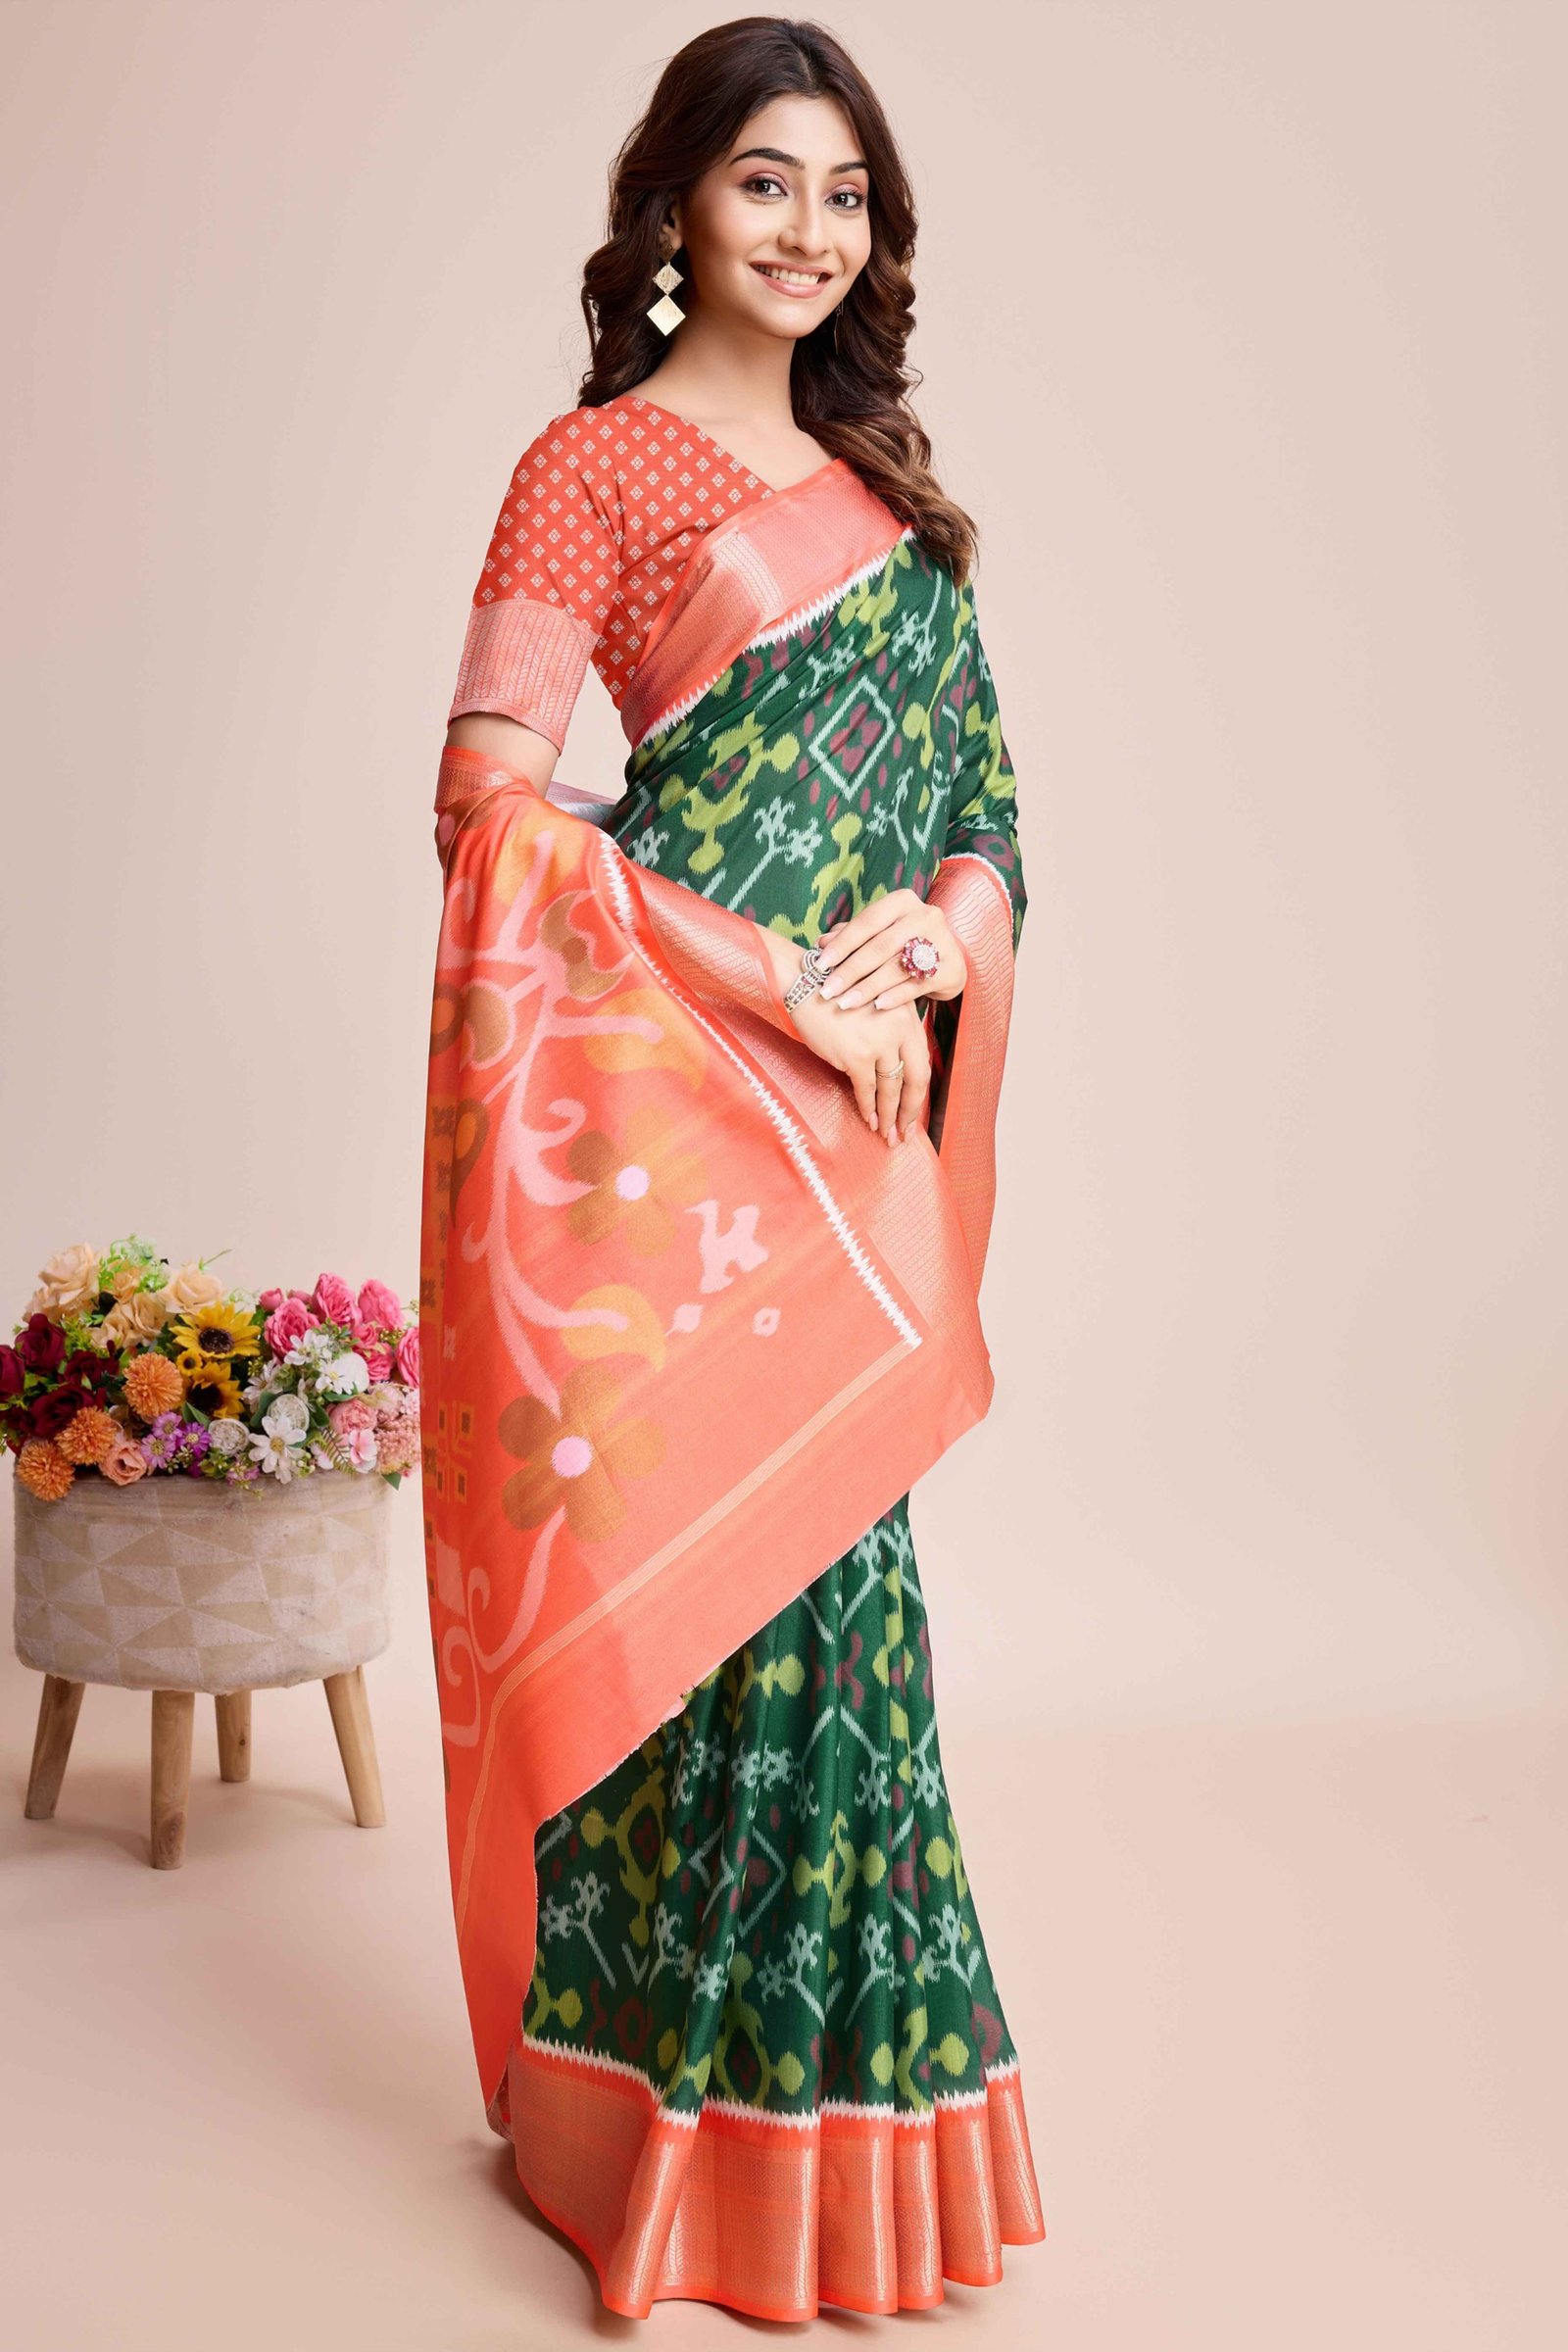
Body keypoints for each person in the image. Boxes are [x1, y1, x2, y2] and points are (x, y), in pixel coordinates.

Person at [419, 16, 1044, 2322]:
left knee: (830, 1624)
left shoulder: (890, 506)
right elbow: (487, 803)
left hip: (850, 1128)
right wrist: (782, 974)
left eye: (843, 194)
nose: (807, 228)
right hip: (675, 1106)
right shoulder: (584, 469)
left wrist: (936, 935)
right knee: (685, 1619)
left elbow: (983, 820)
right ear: (677, 202)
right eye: (764, 180)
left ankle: (819, 2152)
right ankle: (640, 2129)